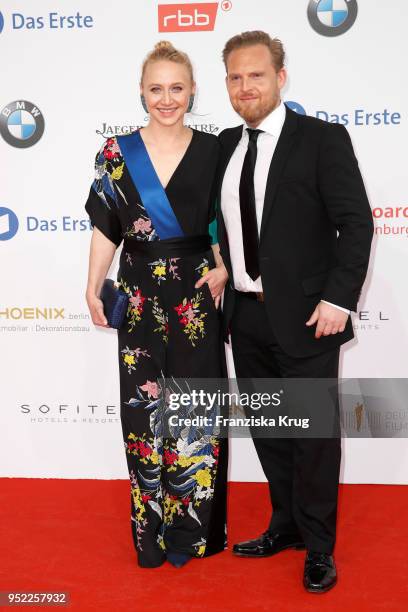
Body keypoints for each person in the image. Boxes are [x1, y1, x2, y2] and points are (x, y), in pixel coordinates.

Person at [217, 31, 373, 593]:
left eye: (256, 75)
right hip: (247, 315)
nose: (245, 86)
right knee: (270, 431)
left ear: (280, 79)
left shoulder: (321, 140)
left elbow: (356, 223)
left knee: (313, 436)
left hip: (311, 316)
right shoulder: (224, 147)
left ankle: (320, 546)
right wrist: (220, 268)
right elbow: (224, 227)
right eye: (235, 77)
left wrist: (338, 299)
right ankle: (285, 525)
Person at [84, 41, 229, 569]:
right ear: (141, 92)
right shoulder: (115, 152)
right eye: (155, 89)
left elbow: (226, 224)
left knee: (193, 410)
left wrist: (225, 265)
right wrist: (92, 284)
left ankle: (192, 534)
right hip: (139, 291)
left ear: (192, 91)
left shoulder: (218, 151)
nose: (166, 99)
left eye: (176, 88)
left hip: (196, 292)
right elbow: (106, 226)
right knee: (144, 411)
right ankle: (151, 533)